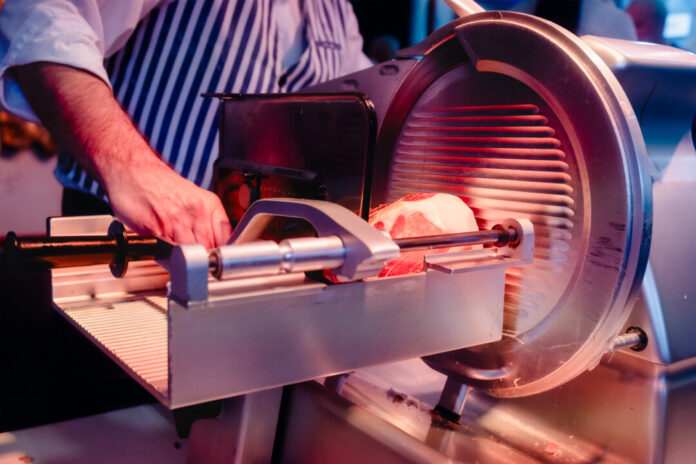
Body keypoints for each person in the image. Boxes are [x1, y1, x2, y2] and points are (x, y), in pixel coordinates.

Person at [0, 0, 372, 248]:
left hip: (259, 265)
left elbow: (368, 105)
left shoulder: (336, 10)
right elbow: (43, 16)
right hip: (125, 242)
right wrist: (134, 171)